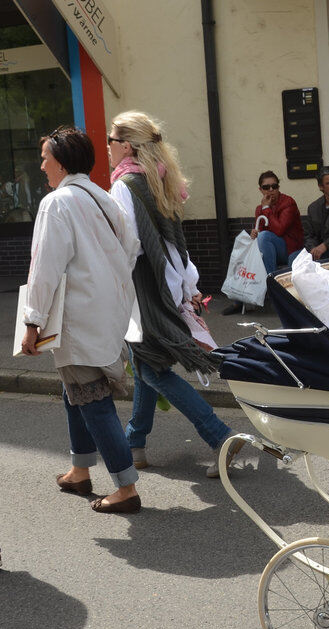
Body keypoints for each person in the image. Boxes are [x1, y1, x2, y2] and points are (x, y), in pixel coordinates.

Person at [108, 111, 245, 478]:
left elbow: (127, 246)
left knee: (152, 368)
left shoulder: (124, 185)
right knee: (145, 364)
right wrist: (189, 286)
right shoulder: (158, 178)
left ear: (125, 146)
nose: (106, 147)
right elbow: (173, 241)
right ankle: (133, 442)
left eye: (110, 140)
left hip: (144, 291)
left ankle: (220, 437)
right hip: (167, 284)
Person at [20, 126, 143, 514]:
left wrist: (32, 321)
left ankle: (126, 488)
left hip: (77, 317)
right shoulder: (105, 198)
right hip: (108, 312)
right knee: (74, 390)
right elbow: (132, 248)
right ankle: (79, 469)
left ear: (61, 160)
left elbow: (44, 268)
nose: (41, 165)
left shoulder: (58, 203)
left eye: (44, 158)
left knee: (91, 398)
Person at [222, 170, 304, 315]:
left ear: (278, 187)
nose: (271, 190)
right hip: (270, 251)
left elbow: (278, 230)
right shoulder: (259, 208)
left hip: (290, 248)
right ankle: (239, 299)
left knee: (265, 237)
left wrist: (266, 210)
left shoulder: (288, 202)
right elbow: (262, 230)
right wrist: (255, 233)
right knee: (246, 253)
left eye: (274, 186)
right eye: (266, 187)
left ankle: (270, 287)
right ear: (260, 190)